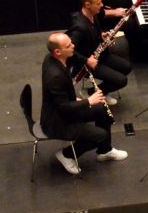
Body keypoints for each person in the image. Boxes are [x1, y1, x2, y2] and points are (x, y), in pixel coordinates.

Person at [40, 32, 128, 175]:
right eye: (69, 45)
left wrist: (77, 100)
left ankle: (104, 151)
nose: (73, 46)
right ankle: (66, 155)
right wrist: (88, 101)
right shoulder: (55, 75)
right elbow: (63, 108)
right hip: (57, 122)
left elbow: (61, 97)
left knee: (102, 110)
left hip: (64, 109)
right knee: (101, 135)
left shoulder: (52, 58)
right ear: (58, 52)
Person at [67, 0, 133, 105]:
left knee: (127, 67)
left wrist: (102, 35)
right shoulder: (79, 28)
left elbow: (93, 32)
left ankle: (100, 91)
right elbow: (70, 52)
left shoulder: (93, 14)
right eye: (98, 3)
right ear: (87, 5)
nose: (102, 5)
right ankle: (91, 93)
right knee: (122, 80)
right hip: (86, 64)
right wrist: (87, 60)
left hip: (100, 54)